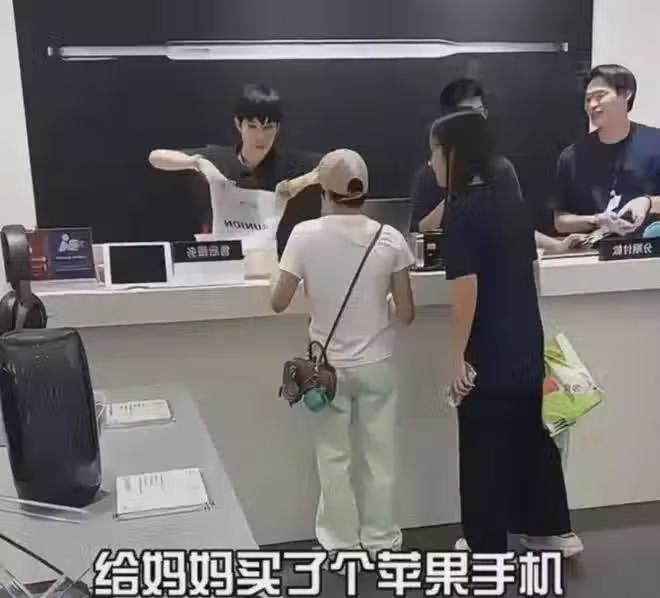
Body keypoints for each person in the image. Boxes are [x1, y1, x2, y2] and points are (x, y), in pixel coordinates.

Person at [431, 110, 583, 556]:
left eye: (435, 152)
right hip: (525, 337)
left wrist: (457, 356)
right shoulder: (510, 202)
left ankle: (486, 543)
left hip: (487, 346)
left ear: (453, 153)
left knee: (483, 444)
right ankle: (552, 530)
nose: (432, 161)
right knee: (532, 436)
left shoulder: (461, 211)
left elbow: (466, 289)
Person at [270, 149, 415, 562]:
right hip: (377, 365)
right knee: (380, 457)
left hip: (327, 371)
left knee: (334, 457)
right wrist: (382, 299)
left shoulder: (304, 235)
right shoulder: (390, 238)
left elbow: (278, 301)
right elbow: (406, 314)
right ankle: (381, 539)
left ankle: (341, 541)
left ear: (324, 191)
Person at [410, 77, 585, 253]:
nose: (476, 120)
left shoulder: (500, 169)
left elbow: (516, 226)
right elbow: (418, 233)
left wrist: (557, 246)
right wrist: (454, 197)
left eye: (480, 112)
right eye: (468, 114)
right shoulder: (431, 173)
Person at [148, 83, 322, 257]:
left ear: (277, 128)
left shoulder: (290, 164)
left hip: (268, 262)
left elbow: (335, 162)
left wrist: (301, 182)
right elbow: (156, 157)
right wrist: (198, 163)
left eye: (268, 127)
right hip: (220, 260)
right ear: (239, 125)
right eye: (252, 126)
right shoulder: (219, 159)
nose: (260, 136)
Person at [553, 64, 660, 236]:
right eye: (588, 99)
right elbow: (560, 222)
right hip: (596, 250)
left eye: (600, 96)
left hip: (650, 248)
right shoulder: (571, 156)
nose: (593, 105)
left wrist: (647, 202)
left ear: (626, 94)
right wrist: (597, 220)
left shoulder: (656, 143)